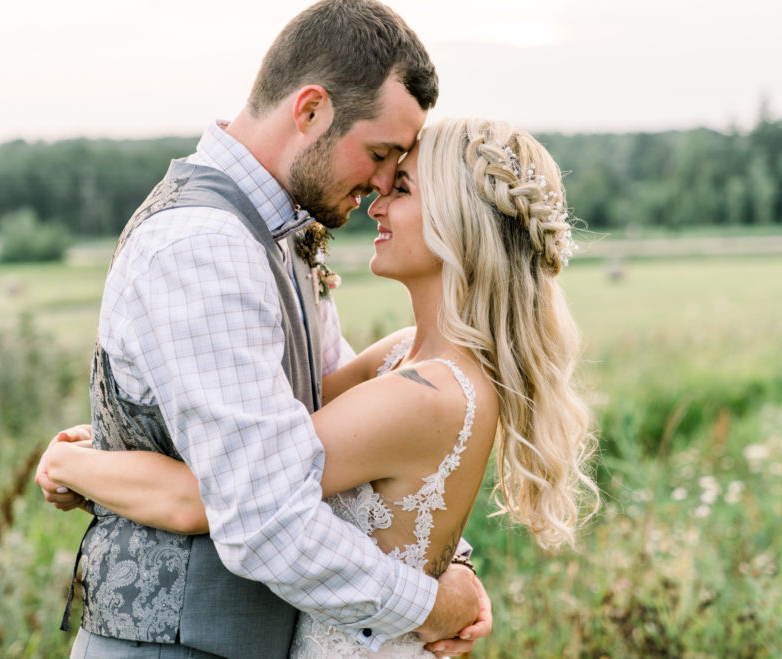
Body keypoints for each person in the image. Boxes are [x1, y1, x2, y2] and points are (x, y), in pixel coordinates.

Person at [33, 0, 490, 659]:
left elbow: (347, 443)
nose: (384, 182)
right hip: (174, 645)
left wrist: (444, 558)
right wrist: (423, 604)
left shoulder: (283, 229)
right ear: (310, 111)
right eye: (380, 151)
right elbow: (266, 520)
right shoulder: (203, 245)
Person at [42, 117, 600, 657]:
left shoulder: (422, 395)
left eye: (401, 188)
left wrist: (72, 465)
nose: (376, 203)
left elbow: (225, 495)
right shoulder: (405, 356)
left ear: (458, 223)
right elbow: (251, 422)